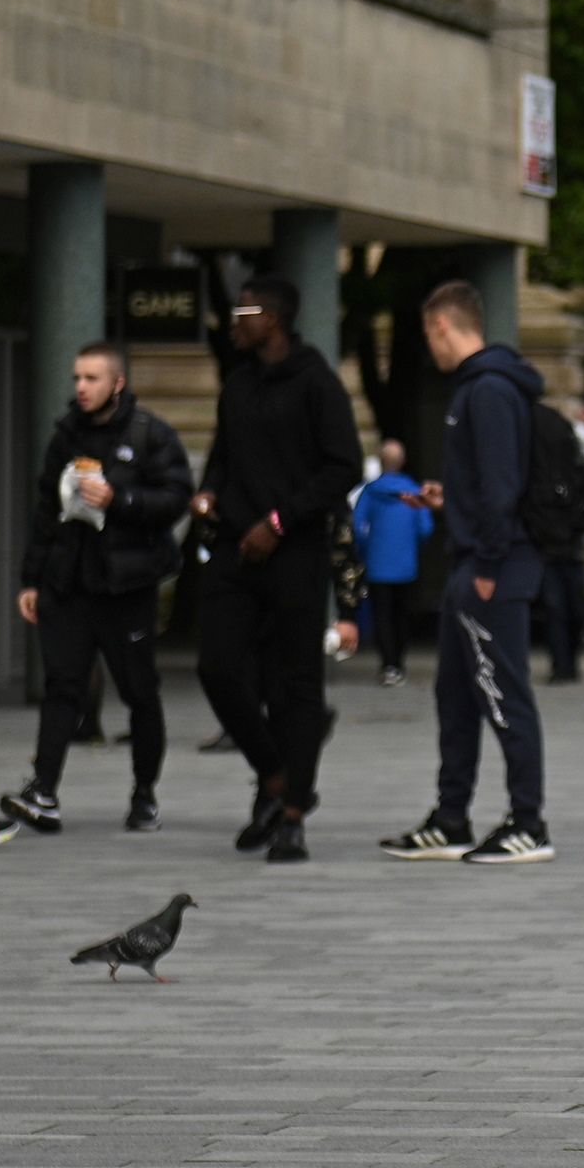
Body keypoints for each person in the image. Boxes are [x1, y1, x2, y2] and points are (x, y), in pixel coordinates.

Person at [380, 278, 556, 865]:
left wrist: (487, 562)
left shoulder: (488, 391)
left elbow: (503, 485)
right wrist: (445, 500)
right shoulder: (484, 389)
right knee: (455, 698)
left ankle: (528, 822)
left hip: (492, 568)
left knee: (504, 694)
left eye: (428, 335)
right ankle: (451, 817)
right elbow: (486, 483)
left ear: (441, 326)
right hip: (476, 563)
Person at [188, 279, 362, 862]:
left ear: (276, 319)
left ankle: (291, 815)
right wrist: (209, 492)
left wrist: (281, 522)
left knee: (295, 686)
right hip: (238, 552)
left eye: (246, 311)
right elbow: (223, 456)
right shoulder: (237, 384)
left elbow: (342, 467)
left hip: (296, 555)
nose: (234, 320)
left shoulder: (317, 383)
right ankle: (273, 772)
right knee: (217, 666)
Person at [0, 343, 189, 838]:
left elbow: (175, 497)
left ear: (117, 384)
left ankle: (144, 795)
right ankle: (43, 791)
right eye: (77, 377)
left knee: (139, 694)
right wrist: (32, 579)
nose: (81, 387)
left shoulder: (148, 434)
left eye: (92, 378)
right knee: (62, 687)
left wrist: (119, 497)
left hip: (126, 588)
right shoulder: (66, 435)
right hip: (69, 584)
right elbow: (45, 512)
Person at [349, 437, 439, 685]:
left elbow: (357, 526)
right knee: (401, 614)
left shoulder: (371, 491)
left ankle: (388, 663)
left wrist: (366, 550)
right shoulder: (414, 491)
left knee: (382, 614)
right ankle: (399, 660)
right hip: (406, 563)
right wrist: (413, 546)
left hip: (378, 562)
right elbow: (425, 528)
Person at [536, 398, 584, 684]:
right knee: (555, 608)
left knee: (576, 610)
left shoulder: (576, 469)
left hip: (572, 547)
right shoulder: (545, 469)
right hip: (551, 548)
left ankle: (570, 658)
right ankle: (560, 664)